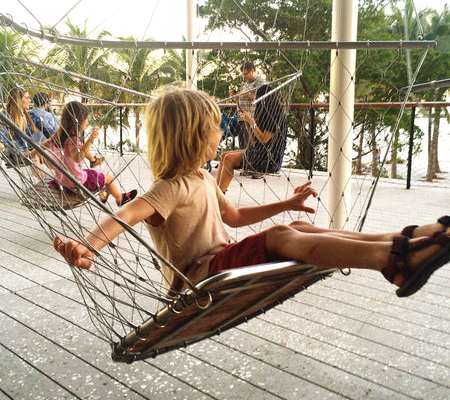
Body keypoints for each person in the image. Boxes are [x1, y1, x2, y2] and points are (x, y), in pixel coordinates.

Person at [53, 87, 450, 300]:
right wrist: (88, 244)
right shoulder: (169, 188)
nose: (222, 132)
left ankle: (405, 240)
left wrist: (289, 203)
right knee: (281, 238)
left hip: (221, 263)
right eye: (215, 126)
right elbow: (127, 214)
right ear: (195, 135)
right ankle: (392, 260)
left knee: (292, 225)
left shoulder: (204, 179)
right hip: (200, 280)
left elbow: (235, 217)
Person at [35, 100, 137, 206]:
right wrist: (91, 139)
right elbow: (78, 158)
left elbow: (46, 143)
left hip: (62, 181)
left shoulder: (59, 134)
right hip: (77, 184)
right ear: (79, 121)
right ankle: (120, 199)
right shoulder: (74, 141)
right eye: (86, 120)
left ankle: (103, 195)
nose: (87, 122)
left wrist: (32, 152)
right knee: (107, 178)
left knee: (90, 172)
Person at [216, 84, 287, 192]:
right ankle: (217, 192)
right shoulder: (264, 114)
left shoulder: (277, 116)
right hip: (258, 152)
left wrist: (252, 121)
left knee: (228, 159)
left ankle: (220, 195)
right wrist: (247, 122)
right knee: (224, 155)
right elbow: (254, 138)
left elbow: (264, 139)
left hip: (269, 158)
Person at [30, 92, 104, 168]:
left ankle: (93, 160)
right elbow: (61, 128)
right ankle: (93, 160)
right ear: (45, 104)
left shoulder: (29, 113)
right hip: (53, 147)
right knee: (73, 141)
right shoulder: (49, 116)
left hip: (33, 144)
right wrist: (91, 139)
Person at [1, 87, 45, 169]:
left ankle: (54, 178)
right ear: (18, 99)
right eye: (27, 98)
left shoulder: (31, 116)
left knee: (47, 153)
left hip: (30, 150)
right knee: (37, 156)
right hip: (15, 154)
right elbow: (2, 137)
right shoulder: (6, 117)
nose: (29, 101)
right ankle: (51, 179)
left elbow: (46, 130)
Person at [230, 61, 265, 149]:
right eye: (243, 74)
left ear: (252, 71)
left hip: (254, 118)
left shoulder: (260, 82)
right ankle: (244, 162)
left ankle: (251, 162)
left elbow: (263, 98)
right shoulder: (245, 84)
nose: (244, 76)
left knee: (252, 146)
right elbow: (243, 97)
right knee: (243, 145)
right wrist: (236, 95)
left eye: (246, 74)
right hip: (243, 118)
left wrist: (247, 94)